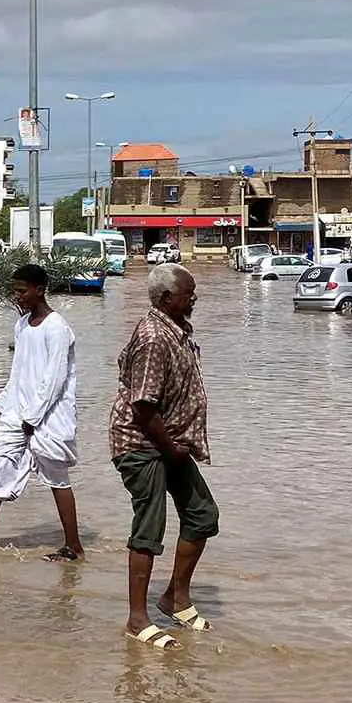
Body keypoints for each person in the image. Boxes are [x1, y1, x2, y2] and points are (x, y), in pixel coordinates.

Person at [111, 264, 219, 650]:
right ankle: (137, 619)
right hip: (142, 444)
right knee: (149, 525)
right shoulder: (155, 336)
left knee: (202, 514)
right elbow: (142, 406)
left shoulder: (177, 330)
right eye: (189, 293)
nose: (195, 299)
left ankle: (175, 596)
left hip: (170, 442)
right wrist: (171, 448)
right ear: (166, 298)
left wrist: (177, 445)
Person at [0, 264, 83, 560]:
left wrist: (33, 418)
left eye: (22, 291)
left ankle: (73, 546)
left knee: (56, 478)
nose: (17, 296)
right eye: (15, 290)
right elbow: (18, 373)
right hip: (17, 414)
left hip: (48, 418)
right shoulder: (22, 325)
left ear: (39, 290)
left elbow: (55, 379)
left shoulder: (57, 327)